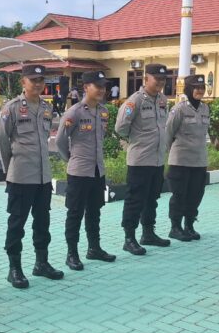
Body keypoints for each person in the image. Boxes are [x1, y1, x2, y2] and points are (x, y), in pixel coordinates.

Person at [0, 64, 65, 288]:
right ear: (23, 82)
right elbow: (2, 141)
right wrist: (11, 169)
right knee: (17, 223)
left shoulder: (46, 108)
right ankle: (14, 268)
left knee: (42, 221)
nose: (37, 84)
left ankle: (41, 263)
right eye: (32, 80)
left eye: (40, 80)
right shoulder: (12, 108)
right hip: (21, 176)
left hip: (43, 176)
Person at [56, 71, 116, 270]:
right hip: (79, 172)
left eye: (103, 86)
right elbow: (60, 141)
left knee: (94, 211)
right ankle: (71, 253)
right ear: (85, 87)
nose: (101, 89)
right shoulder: (74, 112)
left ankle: (94, 248)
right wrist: (72, 160)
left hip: (97, 170)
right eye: (97, 86)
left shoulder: (103, 111)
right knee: (75, 213)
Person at [115, 64, 171, 255]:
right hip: (140, 160)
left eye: (163, 80)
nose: (161, 83)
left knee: (152, 199)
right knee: (135, 200)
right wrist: (134, 141)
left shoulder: (163, 100)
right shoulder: (135, 101)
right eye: (157, 79)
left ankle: (148, 233)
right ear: (146, 79)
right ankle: (129, 238)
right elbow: (121, 127)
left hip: (157, 160)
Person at [166, 75, 209, 242]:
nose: (199, 90)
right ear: (188, 90)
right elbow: (168, 133)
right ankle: (175, 227)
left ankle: (189, 225)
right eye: (196, 87)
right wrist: (172, 153)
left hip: (199, 160)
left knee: (196, 194)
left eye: (202, 87)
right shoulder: (179, 109)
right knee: (179, 195)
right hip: (180, 161)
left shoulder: (206, 109)